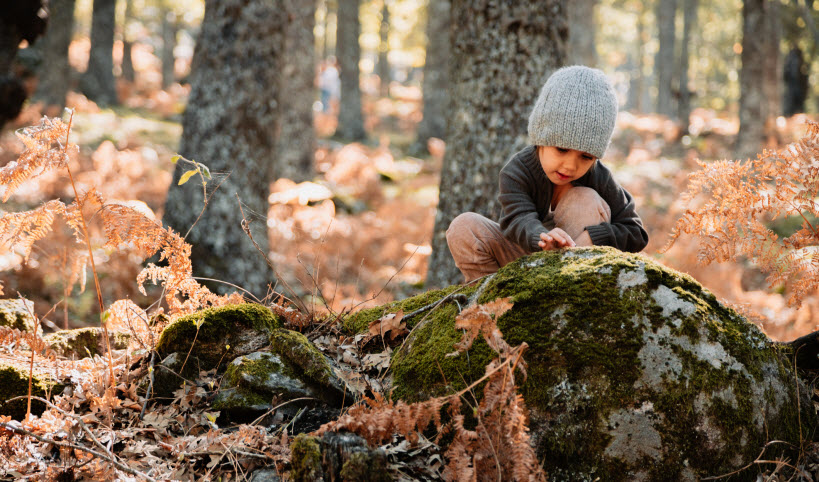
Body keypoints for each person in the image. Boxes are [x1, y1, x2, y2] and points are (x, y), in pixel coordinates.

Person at [446, 65, 648, 282]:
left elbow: (636, 232)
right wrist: (541, 238)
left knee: (585, 198)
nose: (571, 166)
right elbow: (517, 218)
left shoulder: (599, 177)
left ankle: (560, 297)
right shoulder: (517, 171)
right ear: (541, 137)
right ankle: (493, 302)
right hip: (521, 259)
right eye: (561, 149)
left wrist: (594, 236)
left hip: (572, 264)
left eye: (586, 157)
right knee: (463, 226)